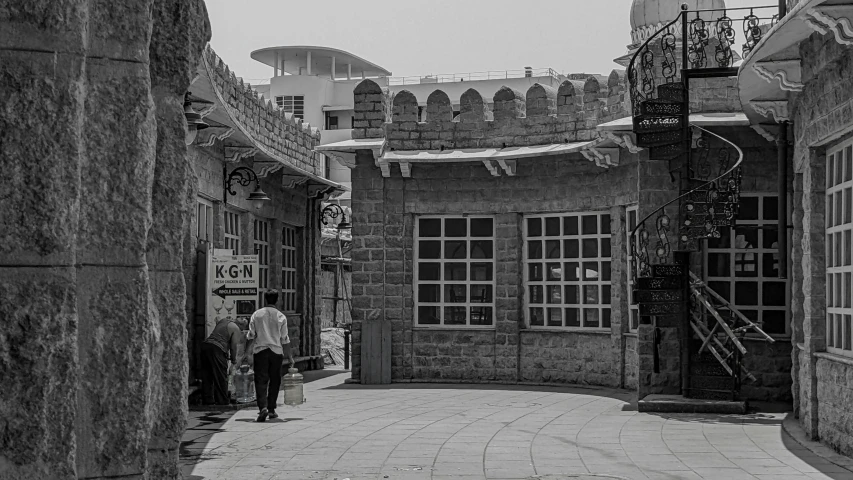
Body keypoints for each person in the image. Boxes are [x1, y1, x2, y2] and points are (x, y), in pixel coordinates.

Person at [247, 291, 294, 422]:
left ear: (265, 299)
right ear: (277, 300)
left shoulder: (256, 314)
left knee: (260, 379)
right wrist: (289, 357)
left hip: (260, 351)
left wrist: (247, 353)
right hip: (276, 352)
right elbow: (285, 339)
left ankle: (263, 407)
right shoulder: (281, 316)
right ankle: (272, 409)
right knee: (275, 380)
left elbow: (251, 335)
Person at [200, 316, 242, 405]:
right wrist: (234, 360)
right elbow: (233, 347)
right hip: (217, 349)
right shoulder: (236, 329)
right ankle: (223, 401)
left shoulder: (224, 321)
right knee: (221, 376)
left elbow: (217, 321)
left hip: (206, 346)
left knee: (207, 375)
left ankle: (208, 400)